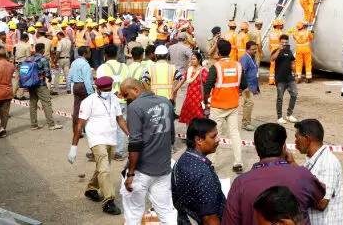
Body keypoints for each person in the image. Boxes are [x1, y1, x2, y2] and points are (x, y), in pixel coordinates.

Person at [224, 123, 326, 225]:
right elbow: (320, 201)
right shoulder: (303, 175)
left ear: (256, 147)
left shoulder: (240, 183)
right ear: (284, 147)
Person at [119, 78, 178, 224]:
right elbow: (171, 136)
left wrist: (131, 173)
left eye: (126, 95)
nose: (126, 99)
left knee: (133, 214)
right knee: (167, 212)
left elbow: (135, 143)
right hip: (163, 169)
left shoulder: (135, 107)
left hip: (141, 171)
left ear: (135, 89)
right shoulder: (166, 102)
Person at [68, 76, 129, 216]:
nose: (108, 92)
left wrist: (129, 134)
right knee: (105, 169)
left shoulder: (113, 99)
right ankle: (108, 201)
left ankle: (91, 189)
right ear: (97, 89)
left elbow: (120, 118)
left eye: (110, 89)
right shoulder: (88, 102)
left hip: (111, 138)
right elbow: (79, 125)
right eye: (105, 90)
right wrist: (74, 146)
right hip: (96, 138)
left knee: (103, 167)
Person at [204, 39, 248, 174]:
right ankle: (238, 163)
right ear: (230, 51)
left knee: (214, 134)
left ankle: (211, 163)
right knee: (234, 133)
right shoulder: (238, 66)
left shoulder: (215, 67)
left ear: (218, 51)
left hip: (217, 105)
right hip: (233, 105)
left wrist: (206, 101)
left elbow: (208, 86)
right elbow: (244, 85)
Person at [172, 117, 226, 225]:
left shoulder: (182, 161)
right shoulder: (203, 174)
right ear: (199, 140)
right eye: (213, 136)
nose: (218, 140)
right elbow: (210, 219)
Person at [294, 119, 343, 225]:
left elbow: (321, 203)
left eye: (297, 137)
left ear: (307, 139)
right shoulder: (313, 159)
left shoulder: (328, 163)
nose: (295, 142)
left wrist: (296, 194)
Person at [96, 44, 129, 161]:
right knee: (121, 126)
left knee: (104, 125)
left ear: (105, 56)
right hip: (122, 100)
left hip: (107, 101)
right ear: (117, 55)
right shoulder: (125, 67)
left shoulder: (102, 68)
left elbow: (99, 85)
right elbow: (128, 83)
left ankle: (103, 150)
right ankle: (119, 153)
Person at [23, 43, 63, 131]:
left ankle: (34, 125)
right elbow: (47, 73)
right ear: (42, 50)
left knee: (33, 104)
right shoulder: (43, 59)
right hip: (40, 84)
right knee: (47, 104)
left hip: (31, 85)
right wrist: (49, 79)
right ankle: (51, 124)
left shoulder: (29, 58)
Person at [272, 34, 298, 124]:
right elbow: (272, 59)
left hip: (289, 78)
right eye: (282, 42)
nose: (284, 44)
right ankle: (279, 117)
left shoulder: (289, 51)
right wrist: (279, 49)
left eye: (286, 42)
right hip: (280, 79)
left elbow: (293, 63)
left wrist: (296, 74)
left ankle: (289, 114)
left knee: (294, 94)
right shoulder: (276, 50)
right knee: (280, 97)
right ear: (279, 42)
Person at [68, 45, 94, 133]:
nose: (90, 54)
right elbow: (87, 80)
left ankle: (76, 130)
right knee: (88, 109)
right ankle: (86, 129)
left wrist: (69, 87)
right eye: (89, 52)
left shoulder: (74, 62)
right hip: (83, 87)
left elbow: (70, 76)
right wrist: (91, 92)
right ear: (84, 53)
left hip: (75, 86)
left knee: (77, 109)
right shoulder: (85, 64)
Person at [179, 51, 209, 124]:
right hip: (189, 99)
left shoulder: (203, 71)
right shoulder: (189, 70)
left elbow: (208, 86)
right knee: (188, 120)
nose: (192, 61)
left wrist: (207, 101)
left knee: (200, 120)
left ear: (199, 60)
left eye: (194, 59)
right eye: (191, 59)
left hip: (199, 99)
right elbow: (182, 80)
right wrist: (175, 90)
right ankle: (189, 134)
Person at [52, 30, 72, 95]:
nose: (58, 38)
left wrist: (55, 60)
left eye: (58, 36)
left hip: (60, 59)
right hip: (67, 59)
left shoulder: (60, 42)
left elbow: (58, 52)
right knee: (67, 74)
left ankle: (55, 90)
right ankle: (69, 89)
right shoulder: (69, 41)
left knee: (57, 75)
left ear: (61, 35)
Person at [267, 20, 284, 85]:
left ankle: (271, 81)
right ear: (278, 26)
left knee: (272, 65)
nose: (282, 26)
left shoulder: (270, 33)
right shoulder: (280, 33)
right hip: (278, 50)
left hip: (272, 50)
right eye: (281, 25)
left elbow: (269, 44)